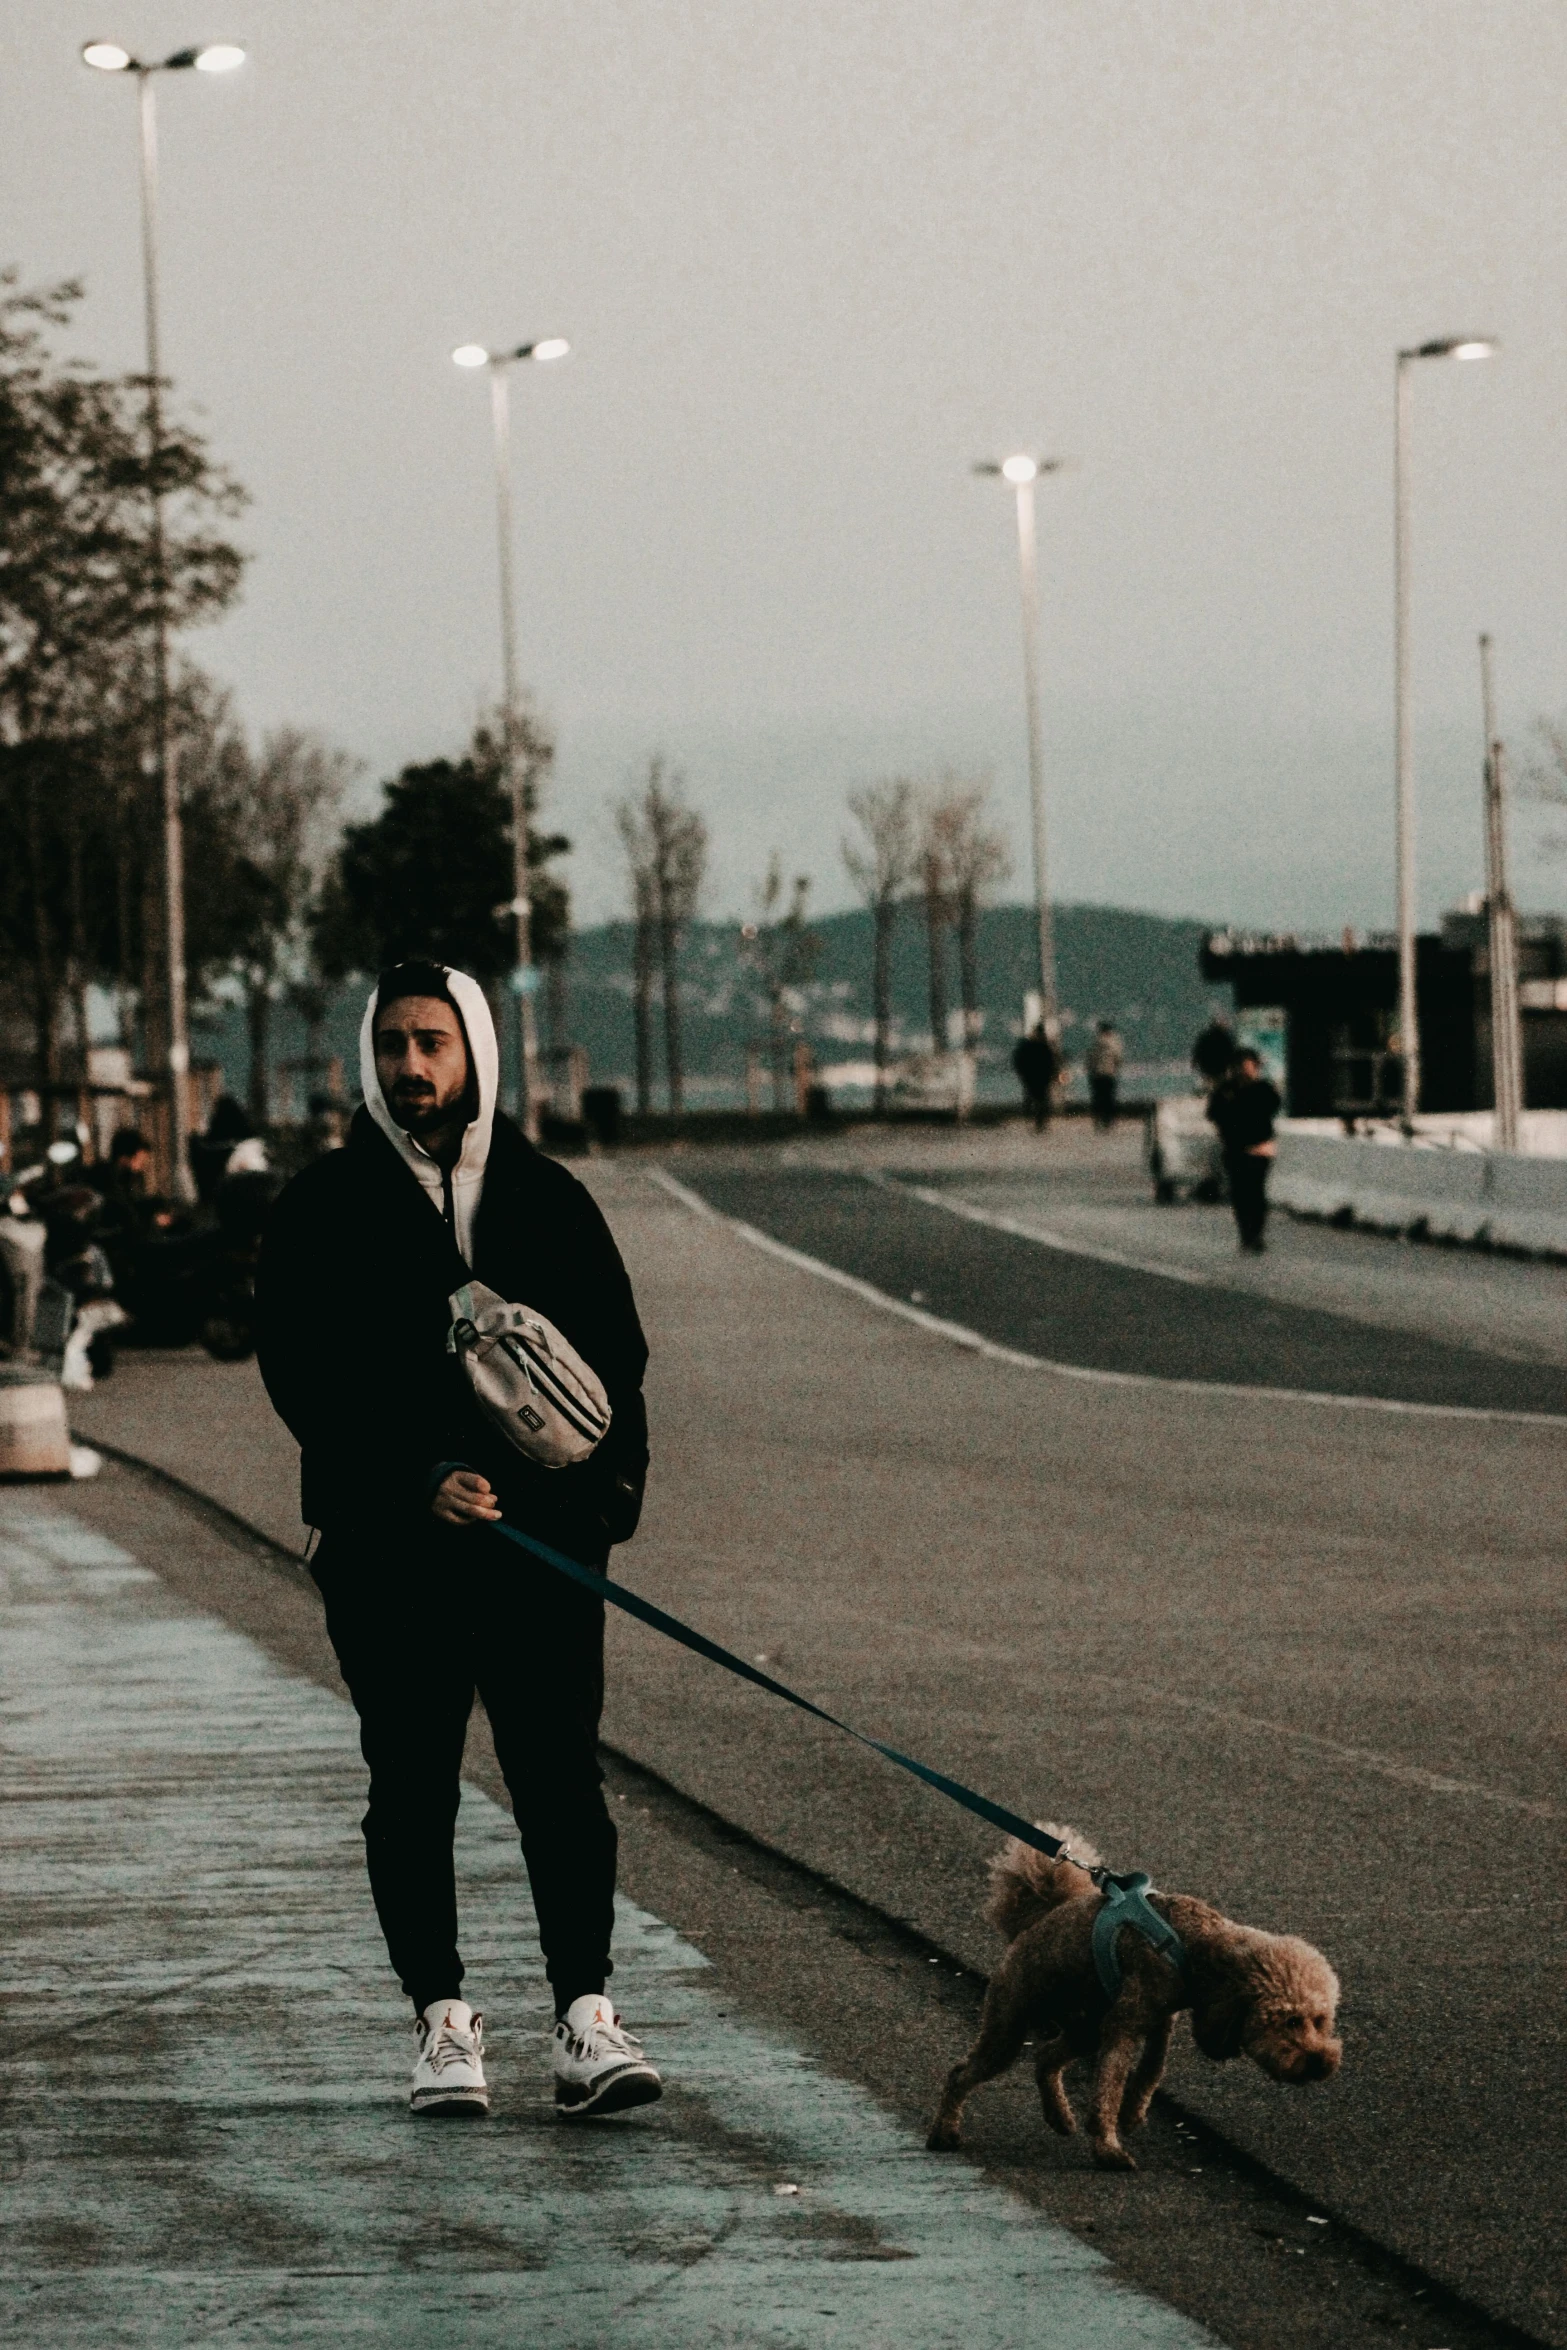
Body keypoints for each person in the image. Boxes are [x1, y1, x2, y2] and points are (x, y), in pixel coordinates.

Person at [255, 961, 658, 2122]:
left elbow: (619, 1370)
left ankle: (585, 2018)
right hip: (392, 1556)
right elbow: (304, 1373)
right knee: (413, 1782)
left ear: (477, 1052)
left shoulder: (551, 1201)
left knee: (560, 1782)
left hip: (541, 1553)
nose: (412, 1067)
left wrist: (597, 1510)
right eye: (393, 1045)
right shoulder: (323, 1206)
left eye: (433, 1042)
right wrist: (407, 1480)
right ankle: (440, 2019)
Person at [1206, 1047, 1282, 1253]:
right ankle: (1246, 1234)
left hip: (1260, 1148)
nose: (1244, 1069)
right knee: (1240, 1193)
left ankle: (1256, 1234)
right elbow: (1213, 1114)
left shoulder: (1264, 1088)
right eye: (1240, 1065)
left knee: (1256, 1192)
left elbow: (1273, 1107)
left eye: (1248, 1065)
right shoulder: (1225, 1090)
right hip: (1234, 1148)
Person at [1011, 1022, 1060, 1133]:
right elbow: (1052, 1062)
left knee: (1034, 1099)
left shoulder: (1028, 1045)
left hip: (1033, 1077)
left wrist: (1022, 1072)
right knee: (1040, 1100)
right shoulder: (1045, 1046)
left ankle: (1035, 1121)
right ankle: (1038, 1122)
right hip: (1040, 1077)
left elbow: (1019, 1060)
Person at [1085, 1020, 1124, 1130]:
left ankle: (1098, 1119)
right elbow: (1119, 1058)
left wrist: (1090, 1069)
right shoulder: (1115, 1042)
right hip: (1110, 1073)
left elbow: (1090, 1058)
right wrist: (1115, 1067)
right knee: (1109, 1098)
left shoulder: (1095, 1042)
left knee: (1098, 1098)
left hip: (1096, 1074)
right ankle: (1109, 1120)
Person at [1191, 1015, 1235, 1090]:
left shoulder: (1206, 1036)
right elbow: (1231, 1051)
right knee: (1218, 1079)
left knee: (1211, 1078)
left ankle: (1212, 1090)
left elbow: (1198, 1050)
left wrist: (1195, 1061)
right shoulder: (1225, 1037)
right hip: (1220, 1063)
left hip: (1208, 1063)